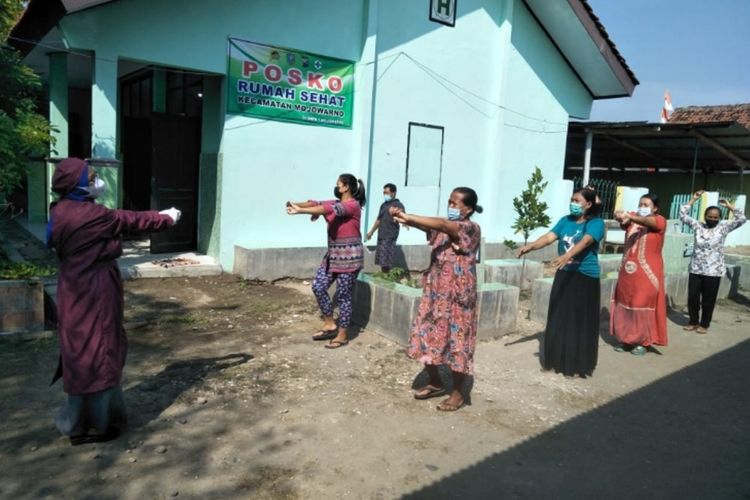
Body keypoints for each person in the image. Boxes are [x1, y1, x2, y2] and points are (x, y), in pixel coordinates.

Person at [47, 158, 180, 445]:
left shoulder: (60, 211)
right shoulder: (92, 216)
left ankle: (80, 420)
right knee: (101, 348)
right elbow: (131, 220)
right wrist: (167, 217)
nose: (97, 182)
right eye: (92, 178)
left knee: (79, 350)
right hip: (94, 290)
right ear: (76, 184)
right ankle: (97, 426)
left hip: (72, 286)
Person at [390, 187, 482, 412]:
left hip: (457, 295)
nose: (450, 207)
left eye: (455, 204)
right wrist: (404, 217)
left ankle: (459, 393)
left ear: (468, 209)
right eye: (449, 202)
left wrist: (409, 216)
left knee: (457, 341)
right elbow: (430, 227)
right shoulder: (445, 228)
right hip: (436, 291)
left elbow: (442, 224)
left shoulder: (469, 228)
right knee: (427, 332)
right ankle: (436, 381)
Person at [517, 187, 604, 378]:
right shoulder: (565, 221)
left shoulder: (596, 223)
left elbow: (587, 241)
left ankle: (576, 364)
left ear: (588, 204)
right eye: (572, 199)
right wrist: (531, 246)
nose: (573, 203)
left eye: (577, 200)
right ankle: (557, 359)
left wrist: (568, 255)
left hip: (585, 277)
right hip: (564, 274)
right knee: (559, 316)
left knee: (578, 321)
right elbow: (549, 237)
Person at [286, 173, 366, 348]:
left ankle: (343, 334)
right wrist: (296, 204)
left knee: (344, 296)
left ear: (346, 187)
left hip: (349, 259)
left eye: (338, 184)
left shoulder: (352, 206)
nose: (336, 187)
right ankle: (330, 323)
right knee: (318, 286)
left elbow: (327, 210)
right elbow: (316, 204)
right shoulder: (335, 202)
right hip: (332, 256)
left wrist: (300, 211)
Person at [679, 190, 746, 333]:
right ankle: (693, 322)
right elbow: (683, 216)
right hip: (696, 268)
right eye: (710, 216)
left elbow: (742, 219)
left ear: (719, 218)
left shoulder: (724, 227)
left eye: (716, 217)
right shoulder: (698, 226)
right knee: (693, 298)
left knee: (708, 299)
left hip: (713, 271)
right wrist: (693, 199)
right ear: (705, 217)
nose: (712, 219)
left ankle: (704, 324)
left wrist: (730, 207)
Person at [610, 193, 667, 355]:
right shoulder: (632, 221)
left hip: (647, 273)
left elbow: (647, 221)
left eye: (646, 205)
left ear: (655, 208)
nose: (642, 207)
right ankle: (626, 340)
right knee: (625, 303)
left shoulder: (659, 221)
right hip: (627, 272)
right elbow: (623, 220)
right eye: (640, 204)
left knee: (640, 304)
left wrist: (630, 216)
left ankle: (642, 342)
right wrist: (619, 215)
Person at [365, 183, 405, 273]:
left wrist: (403, 222)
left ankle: (386, 278)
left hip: (389, 236)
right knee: (381, 260)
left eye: (387, 192)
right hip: (381, 235)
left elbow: (403, 217)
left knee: (386, 261)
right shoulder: (383, 205)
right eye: (384, 193)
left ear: (393, 193)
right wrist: (371, 232)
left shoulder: (398, 205)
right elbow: (378, 220)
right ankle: (384, 276)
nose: (385, 195)